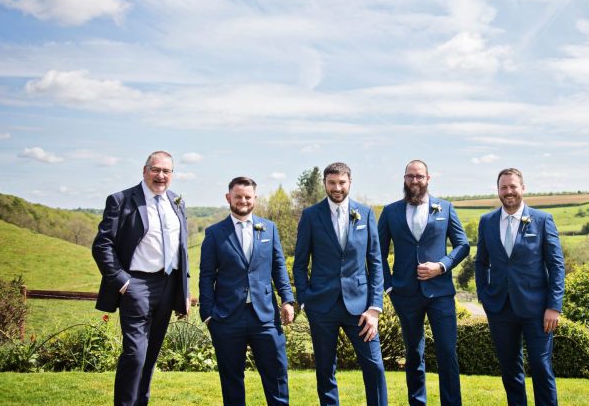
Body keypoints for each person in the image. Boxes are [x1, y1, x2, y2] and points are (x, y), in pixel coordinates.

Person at [92, 150, 190, 406]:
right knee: (135, 354)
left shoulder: (176, 201)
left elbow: (181, 248)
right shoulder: (121, 200)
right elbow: (102, 245)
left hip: (168, 286)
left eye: (166, 171)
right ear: (144, 170)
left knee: (150, 357)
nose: (160, 176)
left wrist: (184, 289)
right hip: (136, 285)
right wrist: (124, 282)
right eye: (155, 170)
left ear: (172, 174)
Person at [292, 162, 387, 406]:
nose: (337, 188)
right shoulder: (311, 215)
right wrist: (304, 299)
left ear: (350, 183)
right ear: (324, 183)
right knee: (325, 369)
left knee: (374, 366)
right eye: (332, 183)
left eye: (341, 183)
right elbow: (300, 263)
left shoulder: (365, 213)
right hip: (321, 306)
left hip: (361, 308)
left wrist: (375, 307)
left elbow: (376, 262)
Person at [378, 159, 470, 406]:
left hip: (440, 293)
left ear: (428, 179)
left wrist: (441, 266)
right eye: (410, 176)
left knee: (447, 352)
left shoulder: (446, 208)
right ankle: (417, 402)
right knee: (413, 353)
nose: (414, 181)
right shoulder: (390, 212)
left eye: (419, 176)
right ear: (404, 179)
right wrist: (388, 285)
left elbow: (463, 245)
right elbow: (377, 252)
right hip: (405, 293)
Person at [199, 177, 295, 405]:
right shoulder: (214, 233)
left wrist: (287, 300)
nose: (243, 201)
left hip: (265, 316)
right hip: (226, 317)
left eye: (247, 197)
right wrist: (208, 314)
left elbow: (278, 267)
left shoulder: (269, 228)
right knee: (231, 380)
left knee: (277, 375)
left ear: (255, 199)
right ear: (228, 197)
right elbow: (206, 276)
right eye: (238, 196)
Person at [474, 168, 564, 406]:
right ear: (498, 191)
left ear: (523, 188)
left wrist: (554, 306)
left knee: (541, 367)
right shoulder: (487, 221)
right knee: (509, 370)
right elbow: (480, 262)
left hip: (537, 309)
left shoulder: (543, 220)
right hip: (500, 308)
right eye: (503, 187)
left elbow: (556, 266)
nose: (508, 192)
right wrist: (484, 295)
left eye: (513, 186)